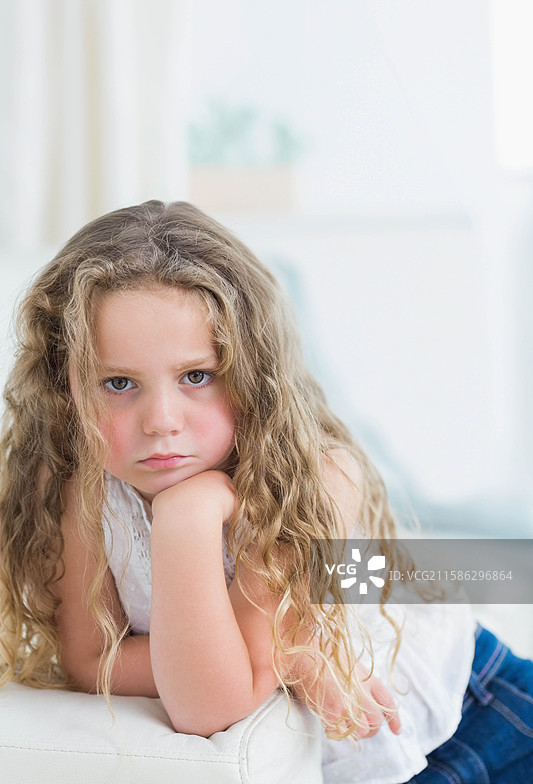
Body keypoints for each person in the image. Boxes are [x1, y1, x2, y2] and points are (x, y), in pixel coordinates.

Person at [0, 200, 531, 783]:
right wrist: (273, 659)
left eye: (196, 377)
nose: (161, 421)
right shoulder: (83, 491)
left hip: (472, 713)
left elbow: (210, 704)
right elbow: (93, 663)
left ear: (251, 373)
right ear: (65, 385)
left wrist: (188, 518)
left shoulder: (310, 480)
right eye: (118, 383)